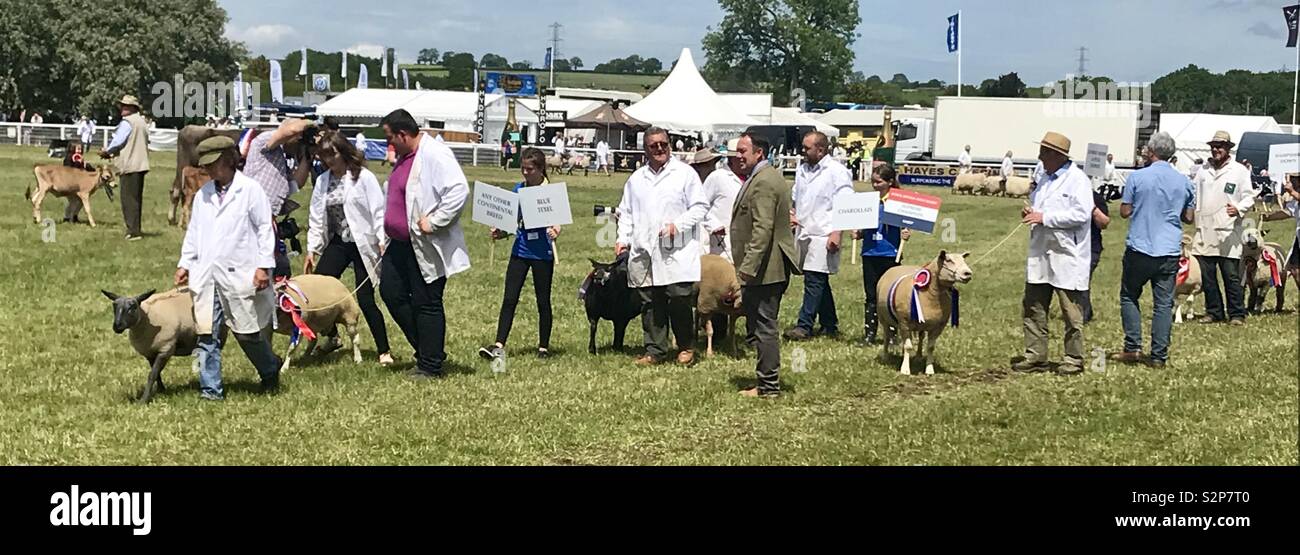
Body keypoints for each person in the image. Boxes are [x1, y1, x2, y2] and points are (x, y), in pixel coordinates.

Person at [175, 136, 282, 401]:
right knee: (207, 334)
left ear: (227, 160)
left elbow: (264, 230)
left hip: (240, 272)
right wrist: (185, 263)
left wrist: (262, 267)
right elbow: (194, 232)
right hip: (207, 274)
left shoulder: (251, 190)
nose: (209, 171)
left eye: (213, 165)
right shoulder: (204, 195)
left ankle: (270, 370)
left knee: (247, 334)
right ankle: (211, 391)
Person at [379, 109, 470, 380]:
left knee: (426, 301)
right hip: (399, 243)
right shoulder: (405, 156)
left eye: (390, 137)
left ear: (403, 134)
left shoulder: (435, 154)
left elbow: (458, 191)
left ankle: (430, 365)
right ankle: (428, 350)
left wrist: (435, 221)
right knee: (390, 293)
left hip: (425, 243)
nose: (389, 144)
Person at [614, 126, 708, 366]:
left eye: (663, 144)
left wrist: (678, 225)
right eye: (653, 145)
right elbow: (626, 212)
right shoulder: (636, 179)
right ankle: (655, 350)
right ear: (645, 149)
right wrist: (622, 239)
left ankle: (686, 346)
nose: (659, 149)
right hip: (645, 249)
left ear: (669, 145)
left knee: (679, 298)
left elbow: (699, 207)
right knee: (650, 301)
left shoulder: (685, 174)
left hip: (677, 249)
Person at [303, 130, 394, 367]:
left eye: (332, 154)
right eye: (324, 157)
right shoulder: (323, 181)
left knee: (365, 298)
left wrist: (381, 239)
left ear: (343, 151)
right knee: (319, 291)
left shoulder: (363, 177)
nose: (329, 161)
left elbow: (377, 210)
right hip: (338, 243)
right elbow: (316, 217)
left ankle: (384, 350)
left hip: (362, 242)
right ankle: (332, 336)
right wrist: (312, 249)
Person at [1109, 132, 1196, 368]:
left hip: (1140, 245)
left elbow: (1125, 211)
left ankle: (1133, 346)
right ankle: (1159, 355)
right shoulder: (1185, 182)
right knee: (1163, 303)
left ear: (1152, 151)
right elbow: (1189, 217)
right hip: (1168, 249)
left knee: (1129, 295)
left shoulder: (1138, 178)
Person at [1013, 132, 1092, 375]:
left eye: (1044, 152)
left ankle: (1073, 358)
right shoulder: (1044, 178)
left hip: (1067, 253)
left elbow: (1082, 214)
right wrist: (1032, 213)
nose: (1040, 156)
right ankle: (1036, 356)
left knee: (1071, 310)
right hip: (1040, 251)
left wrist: (1045, 217)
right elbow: (1041, 207)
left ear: (1057, 155)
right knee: (1034, 305)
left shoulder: (1078, 180)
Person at [730, 133, 799, 397]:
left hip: (765, 270)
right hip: (764, 267)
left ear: (759, 153)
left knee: (764, 326)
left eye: (743, 151)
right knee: (761, 326)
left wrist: (748, 266)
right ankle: (765, 382)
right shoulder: (764, 178)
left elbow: (763, 228)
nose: (738, 156)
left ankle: (768, 386)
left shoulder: (765, 182)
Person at [481, 148, 561, 361]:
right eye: (523, 169)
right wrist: (501, 232)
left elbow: (557, 222)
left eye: (530, 169)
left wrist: (556, 230)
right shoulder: (518, 189)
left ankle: (543, 346)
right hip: (521, 250)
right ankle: (498, 344)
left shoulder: (550, 192)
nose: (525, 173)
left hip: (542, 254)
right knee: (509, 298)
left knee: (542, 300)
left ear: (540, 169)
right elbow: (512, 221)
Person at [786, 130, 854, 341]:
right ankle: (829, 324)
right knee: (817, 279)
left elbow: (845, 202)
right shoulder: (802, 169)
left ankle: (804, 325)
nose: (803, 151)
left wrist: (837, 232)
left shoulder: (837, 171)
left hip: (824, 232)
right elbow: (797, 196)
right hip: (804, 230)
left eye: (807, 148)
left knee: (814, 280)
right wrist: (792, 213)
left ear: (821, 149)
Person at [1190, 130, 1255, 326]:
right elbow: (1195, 194)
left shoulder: (1239, 171)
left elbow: (1249, 197)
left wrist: (1238, 208)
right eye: (1213, 146)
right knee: (1208, 276)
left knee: (1231, 275)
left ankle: (1237, 313)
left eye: (1220, 146)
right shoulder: (1203, 171)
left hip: (1228, 230)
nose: (1216, 149)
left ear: (1228, 148)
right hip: (1205, 228)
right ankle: (1214, 311)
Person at [242, 117, 318, 277]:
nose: (298, 143)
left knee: (279, 268)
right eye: (298, 140)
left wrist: (307, 157)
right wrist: (313, 124)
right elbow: (291, 130)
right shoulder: (263, 142)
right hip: (251, 218)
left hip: (268, 219)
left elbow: (297, 184)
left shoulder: (280, 159)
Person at [857, 163, 911, 345]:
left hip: (890, 254)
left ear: (889, 182)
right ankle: (869, 334)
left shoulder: (898, 203)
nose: (875, 185)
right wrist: (859, 233)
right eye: (873, 182)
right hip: (870, 252)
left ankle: (893, 335)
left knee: (891, 295)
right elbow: (865, 225)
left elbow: (906, 224)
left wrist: (905, 233)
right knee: (871, 295)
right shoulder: (868, 201)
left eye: (878, 182)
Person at [97, 96, 150, 241]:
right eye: (122, 105)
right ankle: (136, 228)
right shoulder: (142, 122)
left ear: (133, 108)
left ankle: (132, 231)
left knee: (128, 200)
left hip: (130, 165)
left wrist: (107, 151)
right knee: (136, 199)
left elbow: (118, 141)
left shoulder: (128, 123)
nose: (122, 108)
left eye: (126, 106)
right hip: (141, 164)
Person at [700, 148, 743, 261]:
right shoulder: (717, 177)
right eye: (739, 158)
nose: (742, 160)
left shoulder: (751, 178)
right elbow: (700, 207)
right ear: (731, 159)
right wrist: (713, 224)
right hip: (722, 243)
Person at [1080, 179, 1111, 324]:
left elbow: (1104, 223)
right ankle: (1086, 311)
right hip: (1069, 246)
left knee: (1083, 280)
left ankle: (1083, 316)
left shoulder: (1096, 198)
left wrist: (1092, 208)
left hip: (1091, 247)